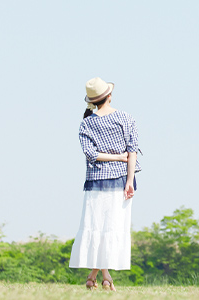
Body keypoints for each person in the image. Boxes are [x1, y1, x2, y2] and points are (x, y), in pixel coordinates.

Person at [69, 77, 141, 291]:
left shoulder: (86, 122)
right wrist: (129, 179)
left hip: (95, 180)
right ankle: (104, 275)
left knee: (96, 226)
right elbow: (132, 152)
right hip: (120, 180)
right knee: (113, 227)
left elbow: (91, 154)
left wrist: (118, 158)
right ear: (110, 95)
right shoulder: (126, 118)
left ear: (91, 101)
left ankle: (96, 275)